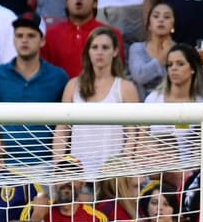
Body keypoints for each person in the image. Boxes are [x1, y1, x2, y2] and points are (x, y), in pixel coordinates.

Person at [0, 11, 69, 171]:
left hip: (46, 165)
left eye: (31, 35)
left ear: (42, 41)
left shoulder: (59, 77)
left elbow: (66, 126)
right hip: (4, 166)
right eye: (19, 35)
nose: (24, 40)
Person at [57, 27, 141, 178]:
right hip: (78, 174)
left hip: (112, 175)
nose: (99, 52)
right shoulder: (72, 86)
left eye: (105, 47)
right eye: (94, 47)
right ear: (88, 51)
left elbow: (133, 134)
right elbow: (62, 131)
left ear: (115, 51)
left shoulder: (125, 88)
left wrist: (122, 167)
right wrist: (59, 167)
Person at [42, 0, 123, 80]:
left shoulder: (112, 34)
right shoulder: (50, 35)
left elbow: (117, 72)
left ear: (95, 3)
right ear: (66, 2)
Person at [127, 1, 178, 99]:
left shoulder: (181, 51)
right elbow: (140, 76)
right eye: (156, 16)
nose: (161, 20)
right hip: (142, 108)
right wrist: (163, 57)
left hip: (171, 107)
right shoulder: (137, 48)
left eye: (166, 17)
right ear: (149, 24)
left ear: (173, 25)